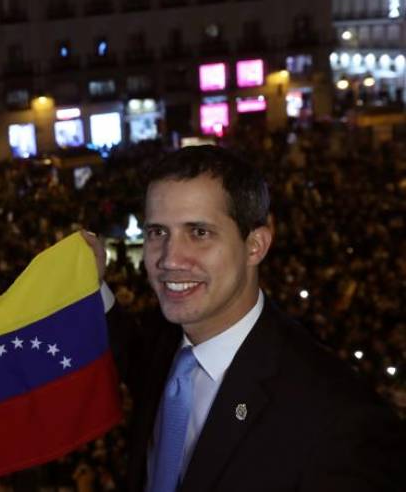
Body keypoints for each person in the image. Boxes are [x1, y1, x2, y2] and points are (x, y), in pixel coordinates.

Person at [99, 145, 404, 492]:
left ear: (255, 245)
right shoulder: (166, 341)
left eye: (199, 232)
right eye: (157, 232)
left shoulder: (339, 419)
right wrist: (90, 284)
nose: (170, 258)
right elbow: (138, 363)